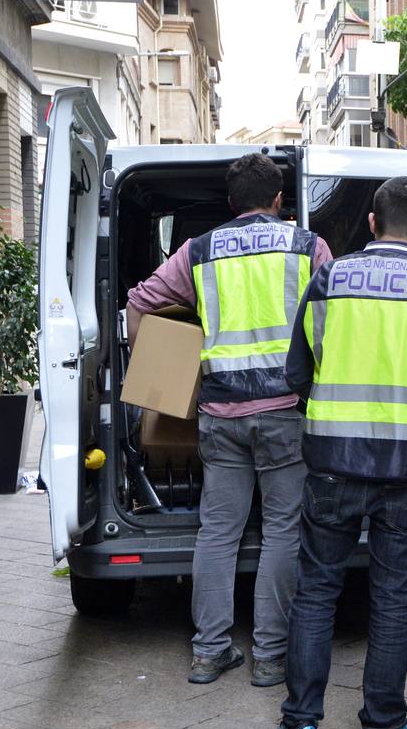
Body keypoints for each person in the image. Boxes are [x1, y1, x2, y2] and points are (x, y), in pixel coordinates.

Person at [258, 177, 407, 729]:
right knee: (393, 598)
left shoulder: (329, 280)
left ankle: (298, 728)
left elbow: (294, 375)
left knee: (316, 593)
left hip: (332, 465)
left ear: (370, 222)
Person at [125, 152, 333, 688]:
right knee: (285, 531)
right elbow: (335, 324)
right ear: (279, 200)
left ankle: (209, 652)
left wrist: (162, 370)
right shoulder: (307, 246)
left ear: (230, 202)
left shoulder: (199, 251)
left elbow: (140, 304)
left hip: (219, 415)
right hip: (287, 413)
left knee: (218, 531)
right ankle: (268, 657)